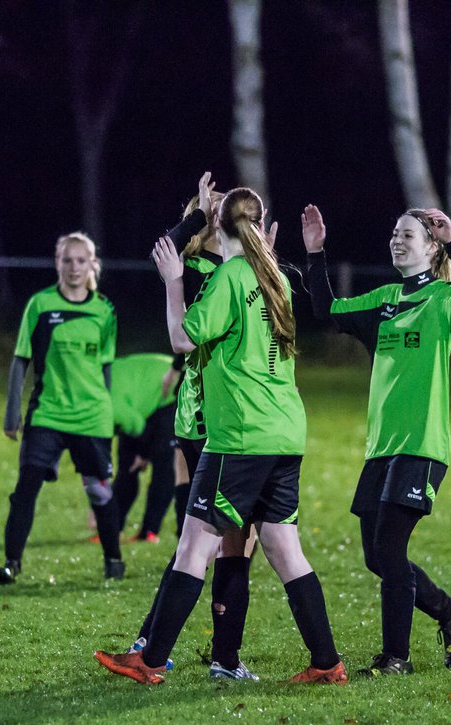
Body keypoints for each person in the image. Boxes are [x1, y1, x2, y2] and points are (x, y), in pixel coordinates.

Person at [96, 185, 346, 685]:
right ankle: (326, 663)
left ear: (219, 224)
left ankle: (149, 660)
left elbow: (182, 338)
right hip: (285, 432)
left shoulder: (232, 275)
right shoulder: (273, 273)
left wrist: (172, 282)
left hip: (240, 437)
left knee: (192, 547)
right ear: (260, 220)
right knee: (283, 548)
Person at [301, 203, 451, 676]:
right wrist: (315, 253)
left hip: (421, 447)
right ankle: (449, 612)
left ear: (429, 247)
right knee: (375, 557)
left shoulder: (444, 300)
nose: (397, 240)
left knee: (389, 552)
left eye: (408, 234)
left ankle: (395, 658)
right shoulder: (383, 301)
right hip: (381, 448)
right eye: (395, 233)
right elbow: (325, 309)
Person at [127, 174, 263, 680]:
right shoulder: (210, 269)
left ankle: (174, 645)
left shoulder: (237, 270)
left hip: (222, 413)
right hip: (212, 416)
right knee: (215, 542)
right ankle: (209, 654)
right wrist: (198, 216)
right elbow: (166, 253)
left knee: (219, 541)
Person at [0, 231, 125, 585]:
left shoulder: (105, 311)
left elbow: (106, 367)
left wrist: (108, 413)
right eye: (68, 260)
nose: (74, 267)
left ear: (91, 264)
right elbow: (20, 360)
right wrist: (11, 413)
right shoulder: (40, 305)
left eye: (81, 260)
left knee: (99, 491)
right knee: (26, 486)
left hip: (91, 416)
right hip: (48, 413)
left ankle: (113, 560)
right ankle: (11, 563)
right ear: (57, 263)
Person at [109, 352, 178, 543]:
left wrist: (143, 454)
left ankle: (148, 531)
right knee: (126, 471)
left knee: (163, 470)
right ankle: (112, 529)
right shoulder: (99, 393)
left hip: (169, 393)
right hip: (141, 400)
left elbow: (137, 425)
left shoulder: (109, 405)